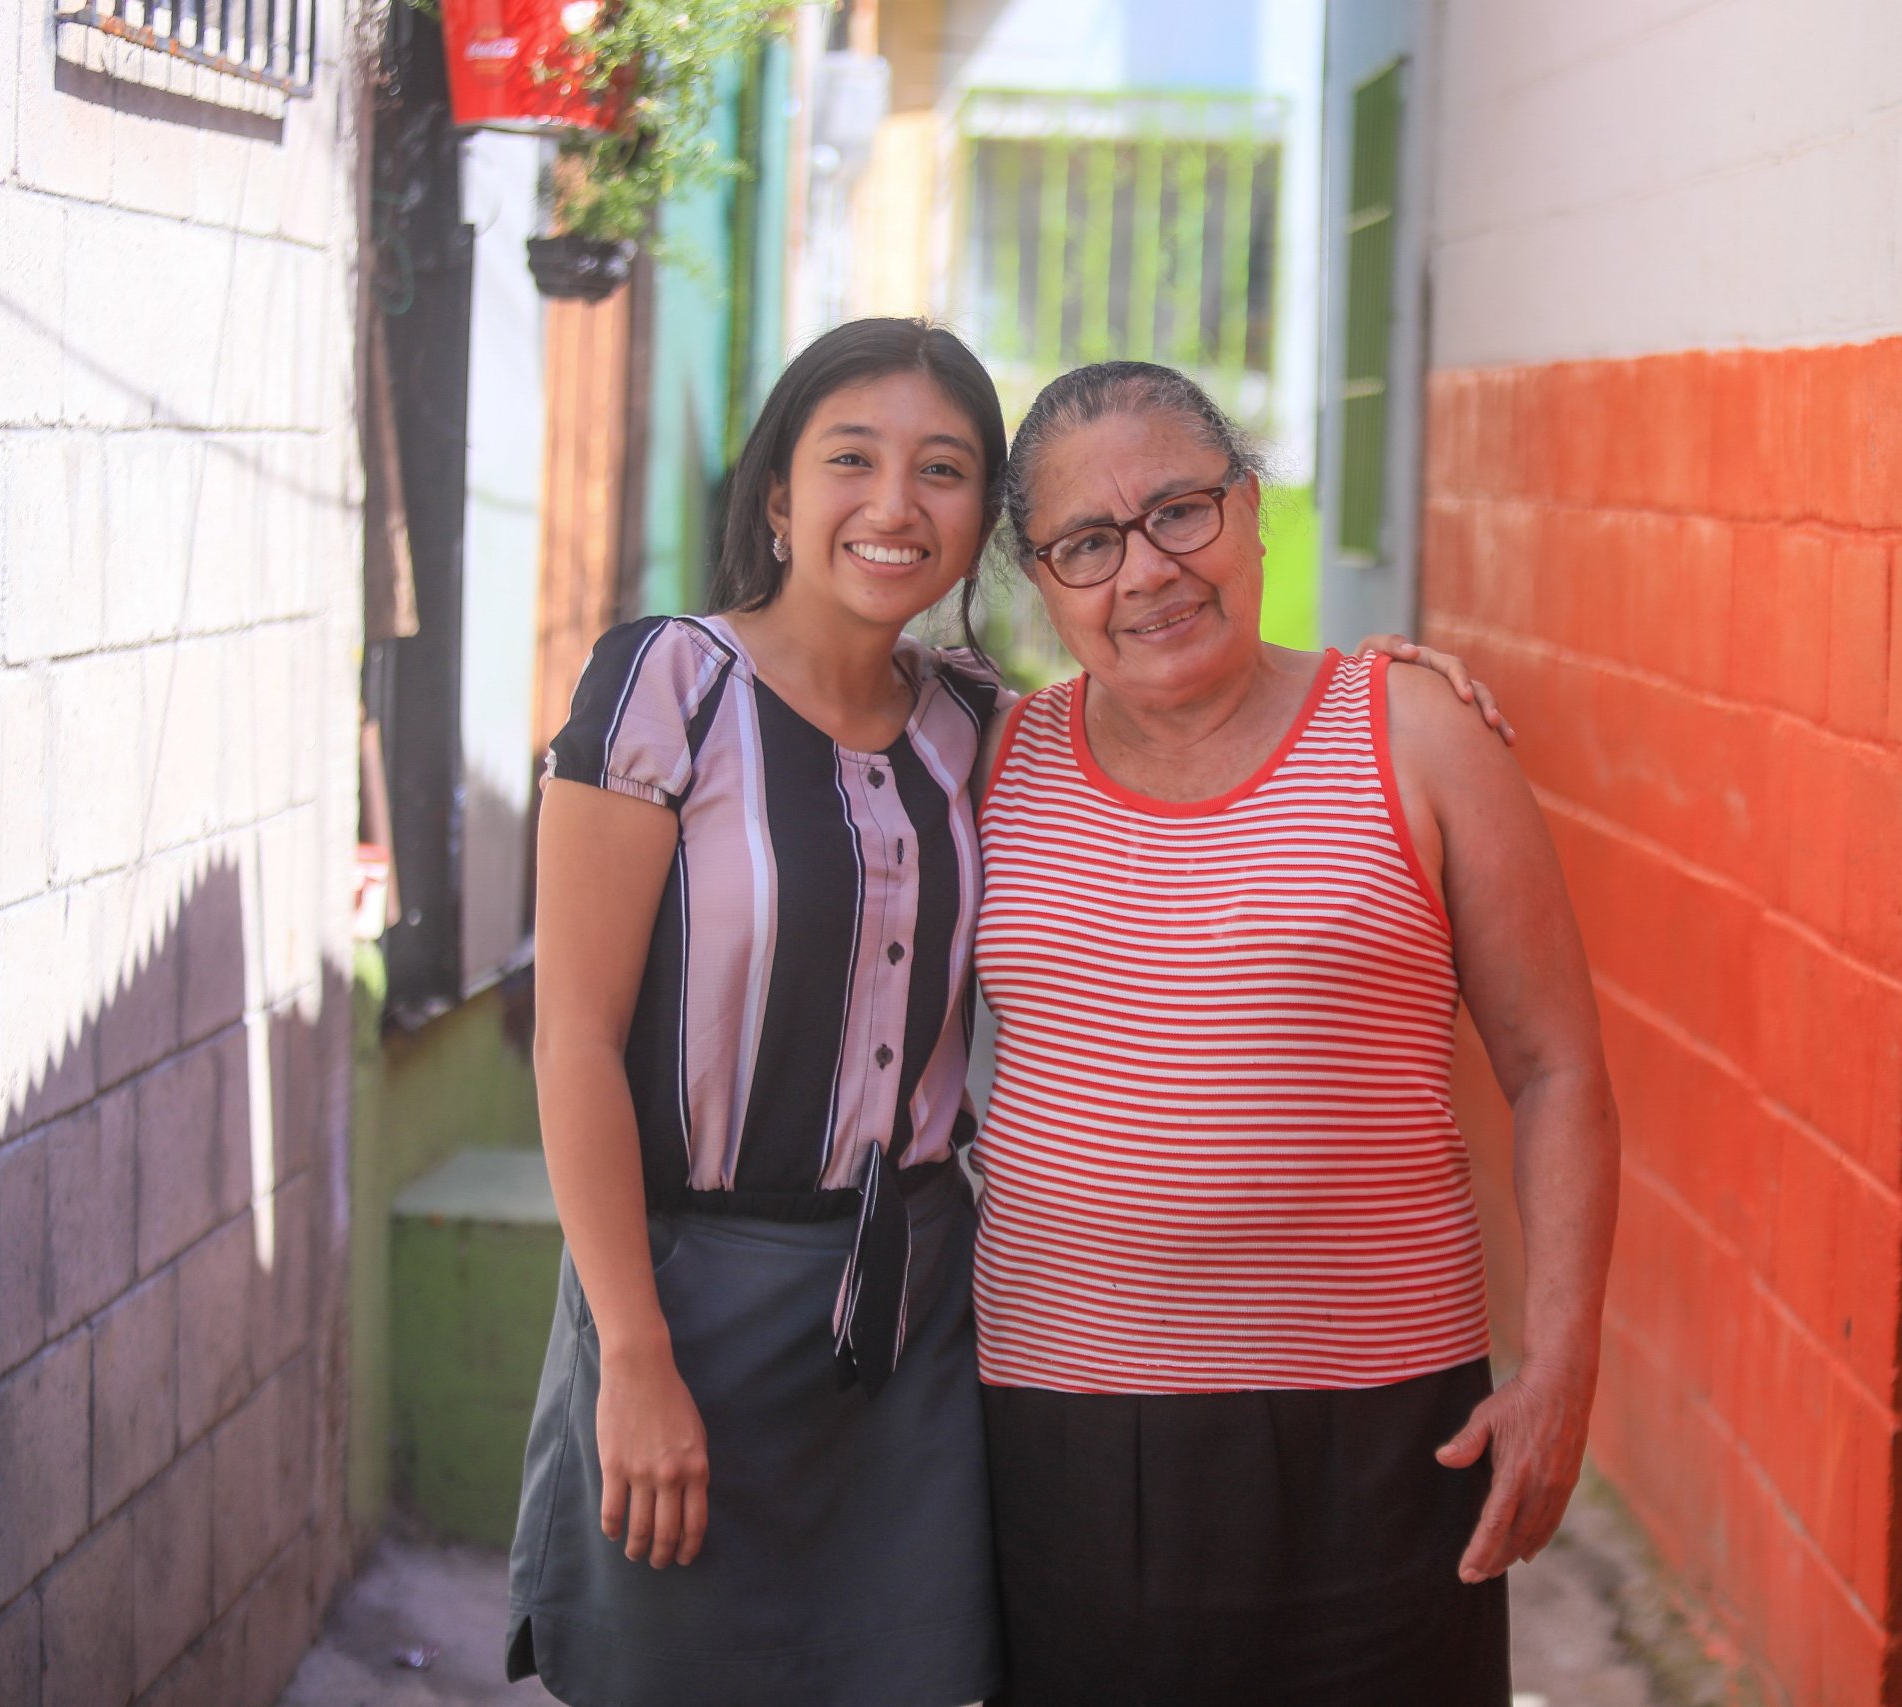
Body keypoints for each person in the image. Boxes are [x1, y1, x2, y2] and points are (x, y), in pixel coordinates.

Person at [503, 320, 1501, 1706]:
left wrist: (1374, 689)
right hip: (695, 1300)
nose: (896, 503)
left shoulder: (975, 724)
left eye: (945, 469)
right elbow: (574, 1041)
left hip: (915, 1316)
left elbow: (1178, 710)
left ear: (985, 532)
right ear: (780, 498)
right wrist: (632, 1351)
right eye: (851, 459)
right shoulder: (665, 686)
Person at [972, 361, 1621, 1706]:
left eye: (1182, 512)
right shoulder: (984, 761)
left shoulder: (1417, 734)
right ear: (1041, 580)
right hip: (1064, 1426)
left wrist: (1561, 1370)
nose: (1147, 571)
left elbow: (1555, 1067)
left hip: (1385, 1437)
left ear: (1255, 512)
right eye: (1087, 544)